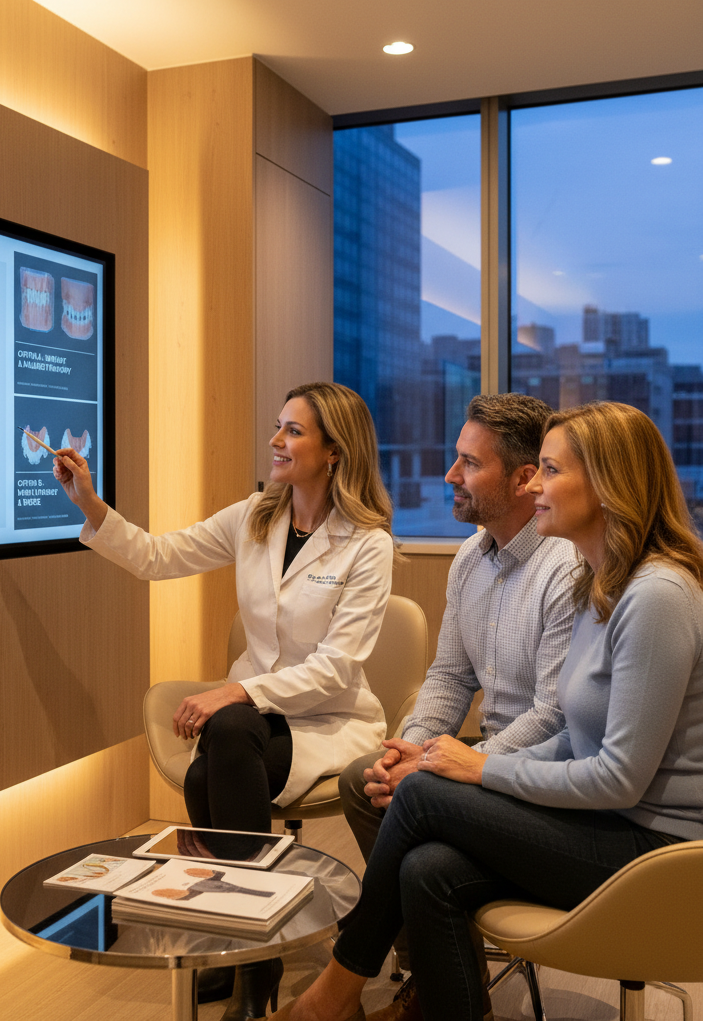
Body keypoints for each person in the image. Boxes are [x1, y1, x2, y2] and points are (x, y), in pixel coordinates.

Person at [270, 401, 703, 1021]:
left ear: (607, 486)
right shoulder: (601, 580)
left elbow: (616, 774)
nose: (537, 486)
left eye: (550, 472)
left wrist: (475, 768)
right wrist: (427, 753)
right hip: (613, 823)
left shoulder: (656, 595)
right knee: (427, 868)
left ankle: (334, 994)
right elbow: (562, 730)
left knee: (417, 798)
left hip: (661, 856)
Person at [52, 381, 396, 1021]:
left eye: (293, 431)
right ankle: (251, 950)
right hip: (252, 724)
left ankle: (242, 952)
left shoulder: (367, 543)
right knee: (226, 745)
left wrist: (237, 689)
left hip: (324, 718)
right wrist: (92, 506)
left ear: (335, 452)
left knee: (222, 744)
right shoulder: (254, 516)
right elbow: (159, 556)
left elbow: (337, 668)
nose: (276, 440)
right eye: (278, 426)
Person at [337, 393, 578, 1021]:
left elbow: (555, 716)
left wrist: (454, 765)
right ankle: (437, 971)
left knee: (422, 845)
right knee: (366, 779)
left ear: (525, 478)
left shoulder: (567, 567)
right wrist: (411, 745)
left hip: (541, 770)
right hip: (485, 759)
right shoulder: (471, 558)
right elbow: (449, 676)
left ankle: (404, 979)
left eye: (468, 464)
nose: (450, 476)